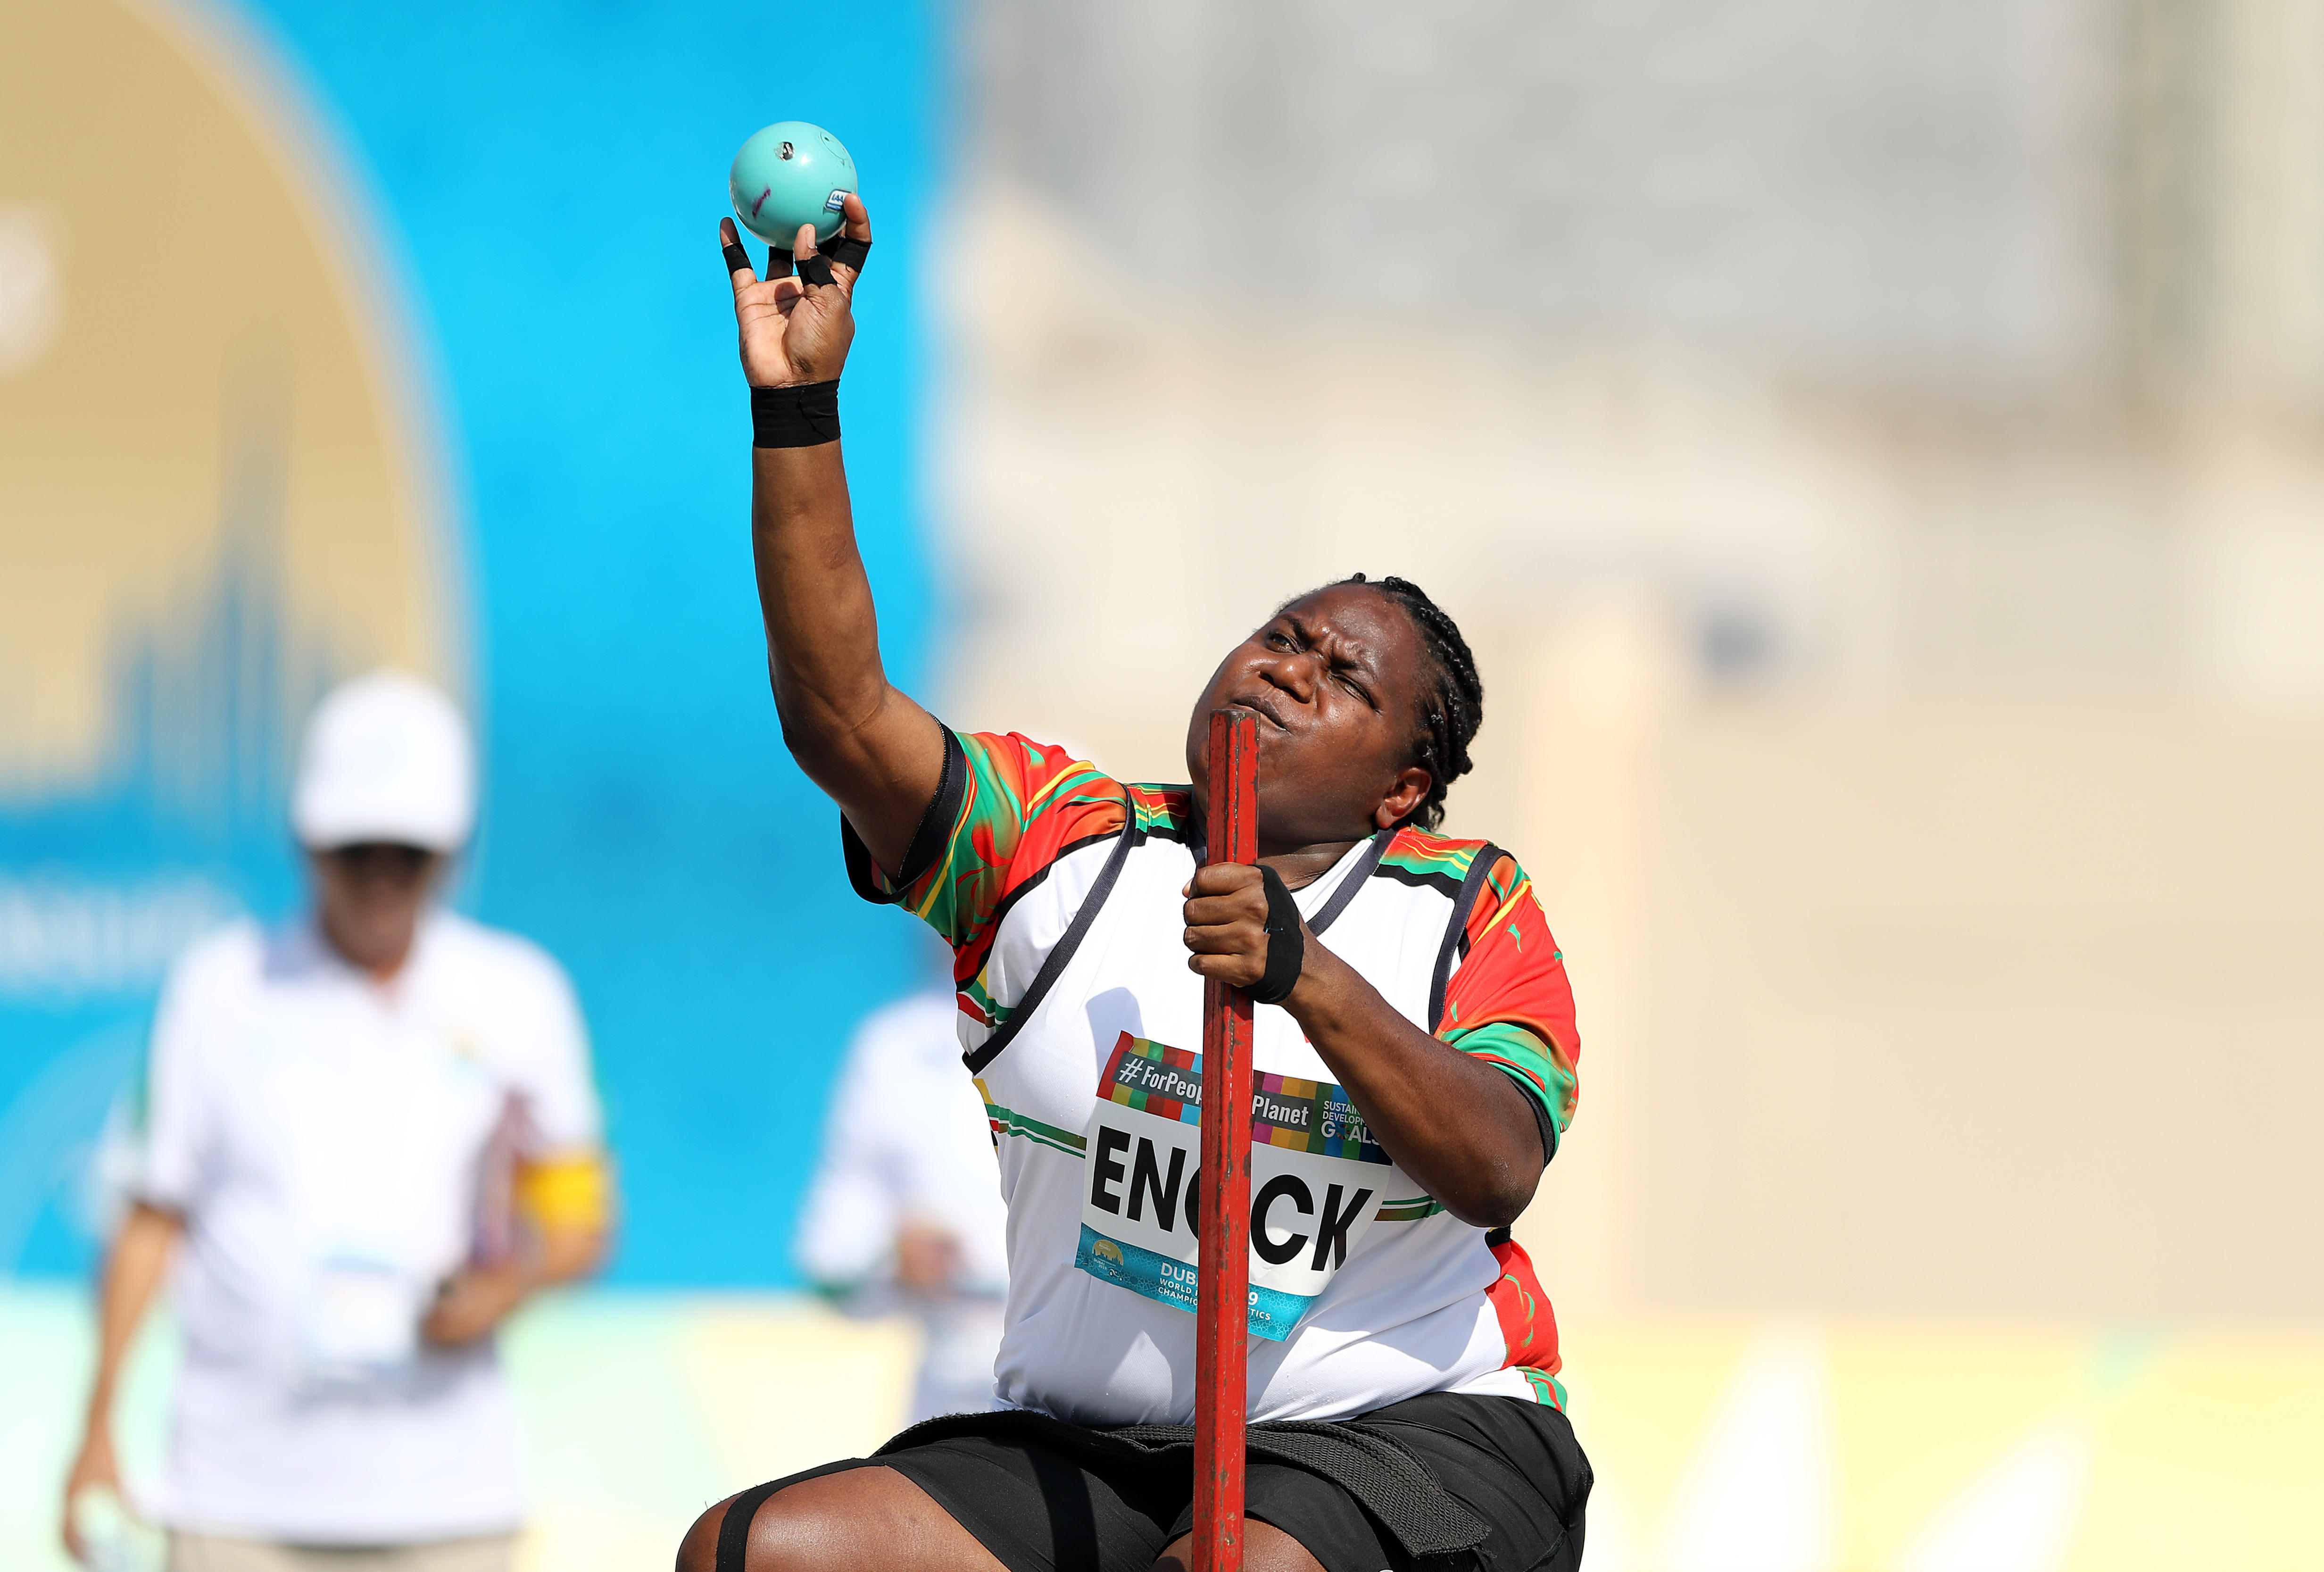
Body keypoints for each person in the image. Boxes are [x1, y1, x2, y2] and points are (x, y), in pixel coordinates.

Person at [678, 203, 1589, 1572]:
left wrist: (1304, 977)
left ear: (1402, 787)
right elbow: (842, 717)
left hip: (1413, 1423)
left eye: (1343, 677)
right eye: (1283, 635)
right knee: (761, 1548)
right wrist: (801, 411)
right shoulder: (1052, 832)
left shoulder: (1466, 903)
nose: (1288, 666)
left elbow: (1496, 1162)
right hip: (1104, 1441)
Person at [62, 672, 613, 1572]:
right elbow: (150, 1216)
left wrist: (505, 1284)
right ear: (307, 841)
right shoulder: (218, 986)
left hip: (450, 1499)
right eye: (355, 847)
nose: (381, 873)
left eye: (409, 847)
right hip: (234, 1499)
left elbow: (581, 1216)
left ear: (454, 848)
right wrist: (97, 1425)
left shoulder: (522, 994)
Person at [797, 986, 1009, 1421]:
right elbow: (828, 1262)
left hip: (1088, 1406)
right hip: (946, 1406)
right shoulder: (893, 1044)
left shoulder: (1114, 1022)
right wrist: (896, 1258)